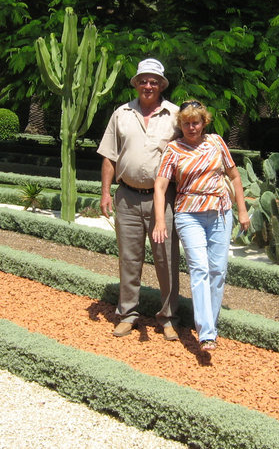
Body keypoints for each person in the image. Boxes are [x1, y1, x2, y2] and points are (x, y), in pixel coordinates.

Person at [151, 100, 249, 351]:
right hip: (189, 215)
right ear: (180, 124)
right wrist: (160, 220)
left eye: (195, 122)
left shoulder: (216, 142)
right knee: (200, 269)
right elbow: (160, 187)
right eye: (186, 123)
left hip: (221, 214)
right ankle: (206, 333)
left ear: (204, 122)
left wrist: (242, 210)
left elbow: (234, 176)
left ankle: (210, 328)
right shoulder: (173, 149)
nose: (191, 127)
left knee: (218, 271)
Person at [97, 58, 182, 341]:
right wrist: (106, 192)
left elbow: (188, 152)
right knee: (129, 259)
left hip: (163, 201)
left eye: (154, 81)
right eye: (143, 80)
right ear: (136, 83)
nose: (148, 85)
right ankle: (127, 314)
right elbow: (109, 156)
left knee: (166, 260)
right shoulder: (121, 114)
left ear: (161, 85)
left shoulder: (175, 115)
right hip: (128, 199)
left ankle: (167, 317)